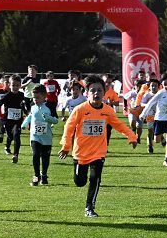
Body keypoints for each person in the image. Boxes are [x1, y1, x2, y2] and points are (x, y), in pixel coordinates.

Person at [59, 75, 139, 217]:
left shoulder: (108, 111)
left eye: (99, 91)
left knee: (95, 178)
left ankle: (89, 207)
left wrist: (131, 136)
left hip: (99, 152)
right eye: (93, 90)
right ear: (87, 93)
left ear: (104, 92)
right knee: (80, 182)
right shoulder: (80, 109)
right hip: (81, 153)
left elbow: (119, 125)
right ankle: (84, 191)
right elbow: (69, 128)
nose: (96, 93)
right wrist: (66, 146)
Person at [22, 84, 58, 185]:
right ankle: (36, 176)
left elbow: (56, 121)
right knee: (35, 155)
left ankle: (44, 175)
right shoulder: (33, 107)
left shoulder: (50, 107)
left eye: (38, 98)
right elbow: (30, 116)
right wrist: (24, 124)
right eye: (34, 98)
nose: (35, 100)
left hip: (46, 137)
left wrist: (48, 118)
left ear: (44, 96)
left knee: (45, 158)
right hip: (35, 136)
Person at [140, 73, 167, 164]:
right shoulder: (160, 93)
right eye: (164, 84)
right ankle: (161, 138)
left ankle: (166, 160)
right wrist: (143, 114)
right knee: (156, 140)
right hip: (160, 118)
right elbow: (150, 103)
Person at [0, 75, 31, 163]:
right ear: (9, 85)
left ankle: (16, 155)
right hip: (7, 121)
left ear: (20, 85)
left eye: (17, 85)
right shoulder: (7, 96)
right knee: (10, 136)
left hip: (18, 121)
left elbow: (25, 108)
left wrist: (28, 116)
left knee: (17, 135)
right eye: (13, 85)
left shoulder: (22, 95)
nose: (15, 87)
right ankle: (2, 133)